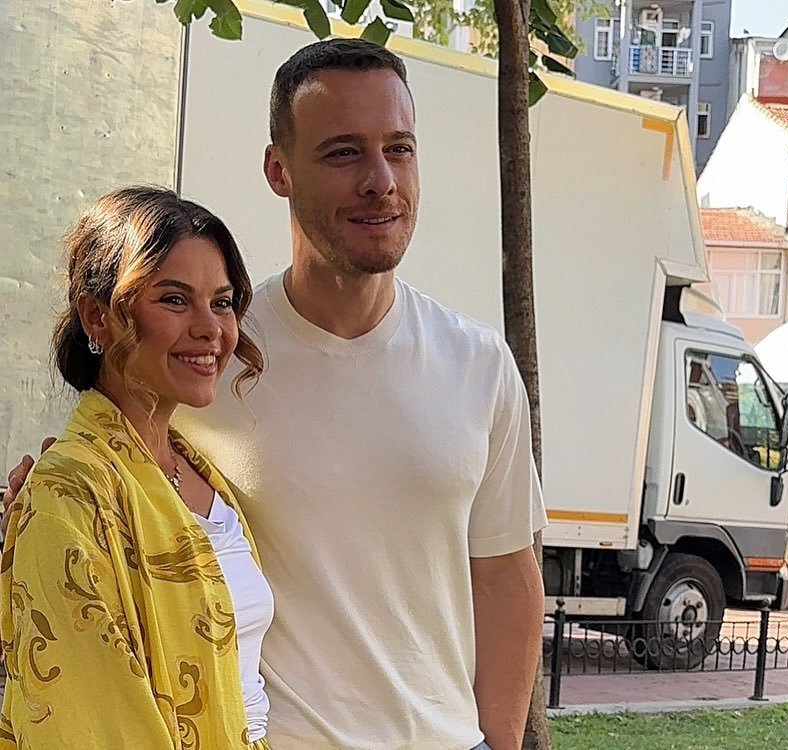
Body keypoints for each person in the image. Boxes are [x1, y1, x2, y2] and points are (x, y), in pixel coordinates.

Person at [4, 38, 546, 750]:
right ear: (278, 170)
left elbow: (505, 576)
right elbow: (114, 466)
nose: (380, 180)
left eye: (399, 149)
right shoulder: (207, 359)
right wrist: (48, 498)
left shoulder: (478, 363)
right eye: (343, 152)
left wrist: (498, 742)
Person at [0, 187, 275, 749]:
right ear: (97, 317)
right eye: (174, 300)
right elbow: (91, 724)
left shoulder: (198, 469)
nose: (210, 328)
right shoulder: (67, 493)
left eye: (222, 302)